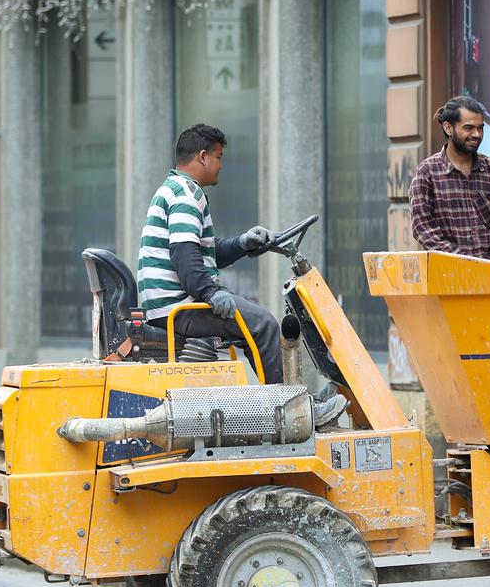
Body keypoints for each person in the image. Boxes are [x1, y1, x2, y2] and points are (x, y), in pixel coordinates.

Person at [137, 124, 346, 424]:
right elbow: (184, 256)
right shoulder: (186, 194)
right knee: (263, 324)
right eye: (219, 157)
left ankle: (292, 402)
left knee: (251, 328)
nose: (221, 165)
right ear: (203, 156)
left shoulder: (172, 189)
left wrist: (243, 243)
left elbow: (202, 253)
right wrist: (210, 292)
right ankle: (293, 414)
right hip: (178, 305)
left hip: (170, 303)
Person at [408, 96, 490, 264]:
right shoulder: (427, 173)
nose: (477, 134)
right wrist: (467, 264)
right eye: (469, 128)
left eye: (480, 128)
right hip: (449, 278)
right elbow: (424, 230)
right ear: (448, 128)